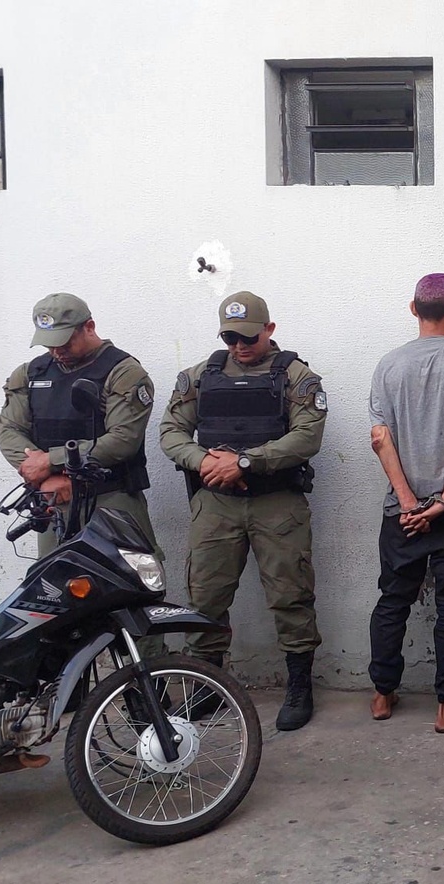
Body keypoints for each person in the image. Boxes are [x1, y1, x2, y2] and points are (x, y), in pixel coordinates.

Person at [159, 291, 327, 732]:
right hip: (216, 504)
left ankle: (299, 687)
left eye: (248, 336)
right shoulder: (200, 376)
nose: (240, 346)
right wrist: (204, 461)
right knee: (205, 598)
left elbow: (307, 437)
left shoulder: (296, 377)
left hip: (277, 503)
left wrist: (247, 462)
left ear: (269, 330)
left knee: (291, 595)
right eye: (230, 337)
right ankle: (206, 690)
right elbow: (171, 432)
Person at [367, 273, 444, 734]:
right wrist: (442, 501)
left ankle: (382, 695)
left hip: (400, 511)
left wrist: (407, 504)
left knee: (393, 600)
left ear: (412, 308)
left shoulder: (388, 365)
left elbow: (380, 438)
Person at [0, 292, 161, 560]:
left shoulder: (123, 372)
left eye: (64, 341)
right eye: (48, 344)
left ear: (89, 327)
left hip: (109, 500)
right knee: (56, 584)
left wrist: (51, 461)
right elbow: (9, 431)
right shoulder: (30, 373)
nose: (56, 350)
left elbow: (123, 440)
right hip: (53, 501)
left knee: (126, 585)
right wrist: (46, 476)